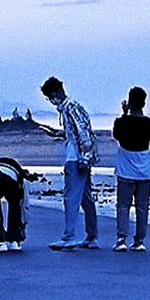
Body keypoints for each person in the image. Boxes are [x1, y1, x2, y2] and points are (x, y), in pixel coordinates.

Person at [39, 77, 99, 250]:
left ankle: (69, 236)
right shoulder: (72, 107)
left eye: (51, 97)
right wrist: (59, 133)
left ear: (58, 92)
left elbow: (83, 135)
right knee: (86, 198)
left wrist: (84, 159)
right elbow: (76, 133)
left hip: (75, 159)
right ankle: (92, 236)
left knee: (71, 197)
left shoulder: (70, 108)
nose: (51, 101)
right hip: (81, 158)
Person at [112, 86, 150, 252]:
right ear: (144, 103)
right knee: (142, 207)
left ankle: (121, 239)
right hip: (145, 170)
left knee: (123, 206)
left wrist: (124, 114)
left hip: (126, 169)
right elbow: (148, 137)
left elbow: (117, 136)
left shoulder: (121, 123)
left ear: (129, 102)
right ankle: (139, 240)